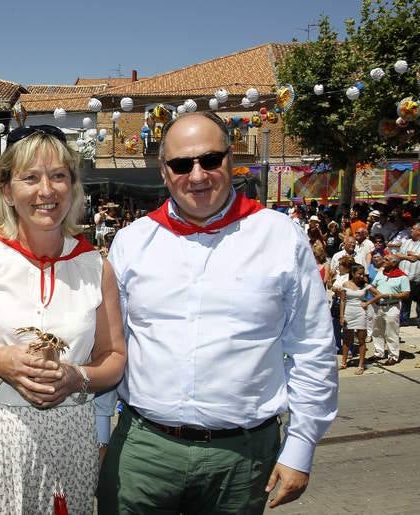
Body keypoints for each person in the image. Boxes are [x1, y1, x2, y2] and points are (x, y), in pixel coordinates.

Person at [98, 112, 338, 513]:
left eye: (210, 160)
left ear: (231, 160)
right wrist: (100, 432)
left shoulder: (279, 237)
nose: (197, 175)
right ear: (163, 171)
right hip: (143, 450)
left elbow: (312, 346)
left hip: (243, 458)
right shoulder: (132, 241)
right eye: (181, 164)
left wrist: (301, 446)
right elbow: (109, 346)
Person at [0, 125, 126, 514]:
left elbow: (114, 358)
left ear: (72, 187)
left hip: (71, 437)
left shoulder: (95, 266)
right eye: (30, 178)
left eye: (58, 176)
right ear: (7, 190)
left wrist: (78, 377)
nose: (46, 191)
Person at [369, 254, 410, 366]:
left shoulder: (402, 277)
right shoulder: (381, 272)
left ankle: (393, 356)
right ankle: (378, 352)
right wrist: (376, 293)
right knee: (377, 330)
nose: (383, 261)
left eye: (386, 260)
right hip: (378, 306)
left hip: (392, 306)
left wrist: (390, 296)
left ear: (394, 263)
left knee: (391, 332)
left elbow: (406, 293)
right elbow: (373, 285)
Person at [340, 264, 372, 375]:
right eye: (359, 273)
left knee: (361, 339)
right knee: (347, 339)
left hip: (360, 313)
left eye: (363, 274)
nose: (361, 276)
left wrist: (367, 302)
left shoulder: (365, 285)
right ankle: (344, 362)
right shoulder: (346, 284)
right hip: (348, 312)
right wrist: (341, 316)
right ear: (352, 273)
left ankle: (361, 365)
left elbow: (378, 294)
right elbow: (343, 301)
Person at [394, 223, 420, 325]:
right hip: (405, 277)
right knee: (405, 299)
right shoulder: (406, 242)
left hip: (417, 278)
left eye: (413, 229)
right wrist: (409, 257)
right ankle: (404, 320)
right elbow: (399, 254)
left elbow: (416, 257)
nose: (411, 231)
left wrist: (415, 255)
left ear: (419, 231)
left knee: (419, 301)